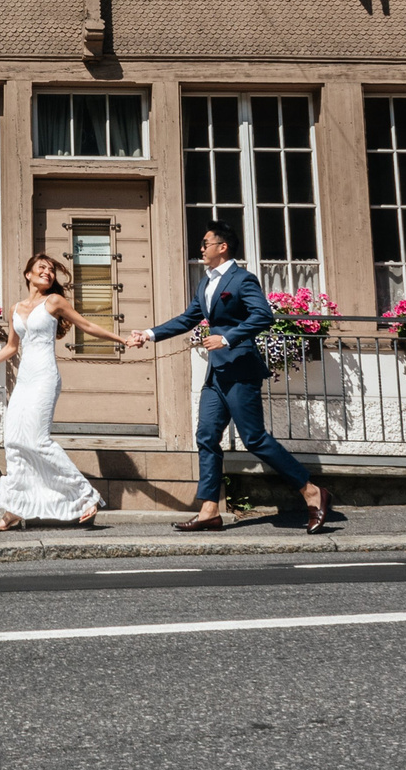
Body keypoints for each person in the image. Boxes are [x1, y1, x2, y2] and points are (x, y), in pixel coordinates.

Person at [133, 217, 334, 534]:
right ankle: (209, 510)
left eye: (205, 243)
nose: (201, 248)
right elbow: (188, 319)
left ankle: (311, 492)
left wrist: (227, 338)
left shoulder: (242, 280)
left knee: (254, 438)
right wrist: (148, 334)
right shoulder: (206, 283)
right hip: (217, 374)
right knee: (206, 436)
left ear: (222, 247)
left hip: (240, 369)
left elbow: (263, 316)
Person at [0, 253, 138, 531]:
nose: (47, 273)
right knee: (14, 441)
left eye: (51, 270)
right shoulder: (15, 309)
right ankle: (14, 509)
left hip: (44, 378)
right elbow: (12, 347)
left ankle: (85, 497)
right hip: (24, 381)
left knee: (38, 441)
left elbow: (86, 325)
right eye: (42, 268)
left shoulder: (54, 302)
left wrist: (121, 339)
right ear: (28, 274)